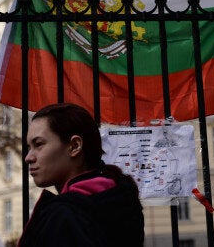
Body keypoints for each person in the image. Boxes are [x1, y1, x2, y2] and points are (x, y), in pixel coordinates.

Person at [18, 103, 144, 246]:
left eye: (39, 144)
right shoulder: (120, 201)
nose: (28, 157)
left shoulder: (63, 215)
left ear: (75, 146)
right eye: (29, 147)